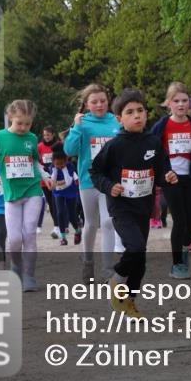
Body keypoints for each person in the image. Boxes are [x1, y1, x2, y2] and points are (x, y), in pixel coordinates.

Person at [90, 89, 177, 318]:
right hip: (121, 207)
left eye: (140, 111)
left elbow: (160, 172)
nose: (136, 115)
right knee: (135, 247)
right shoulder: (114, 145)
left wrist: (167, 177)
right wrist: (110, 187)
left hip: (143, 206)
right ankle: (116, 278)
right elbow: (96, 172)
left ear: (146, 114)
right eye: (130, 112)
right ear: (120, 119)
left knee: (140, 258)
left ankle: (129, 300)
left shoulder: (153, 142)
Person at [0, 99, 50, 292]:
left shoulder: (32, 138)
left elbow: (35, 162)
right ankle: (16, 267)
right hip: (11, 195)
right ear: (10, 117)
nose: (23, 127)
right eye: (20, 123)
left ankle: (29, 275)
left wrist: (46, 176)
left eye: (28, 124)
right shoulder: (0, 137)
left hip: (33, 190)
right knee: (15, 239)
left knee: (29, 234)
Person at [149, 83, 191, 279]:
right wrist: (161, 172)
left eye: (184, 100)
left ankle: (183, 247)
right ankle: (177, 264)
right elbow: (153, 151)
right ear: (169, 103)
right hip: (171, 178)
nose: (181, 104)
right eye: (176, 101)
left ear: (189, 103)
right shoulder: (162, 126)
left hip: (189, 177)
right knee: (180, 221)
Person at [64, 83, 123, 283]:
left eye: (103, 101)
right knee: (90, 224)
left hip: (109, 182)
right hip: (88, 181)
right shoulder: (82, 123)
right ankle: (88, 261)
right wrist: (77, 128)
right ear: (87, 104)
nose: (99, 105)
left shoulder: (116, 122)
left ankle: (107, 269)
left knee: (108, 222)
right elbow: (70, 151)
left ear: (108, 101)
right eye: (94, 102)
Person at [49, 145, 80, 246]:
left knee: (71, 214)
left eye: (62, 163)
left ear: (66, 160)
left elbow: (68, 182)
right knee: (60, 213)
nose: (59, 166)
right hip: (58, 192)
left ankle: (78, 230)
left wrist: (63, 170)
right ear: (53, 162)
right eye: (57, 164)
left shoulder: (70, 166)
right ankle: (63, 238)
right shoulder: (52, 168)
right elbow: (53, 183)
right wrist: (55, 171)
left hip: (70, 191)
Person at [38, 126, 59, 238]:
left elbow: (64, 158)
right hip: (45, 180)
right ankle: (56, 225)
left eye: (48, 135)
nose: (46, 137)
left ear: (53, 135)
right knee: (51, 203)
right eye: (45, 135)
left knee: (58, 202)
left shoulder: (58, 145)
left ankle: (60, 224)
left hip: (57, 178)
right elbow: (37, 160)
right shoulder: (39, 147)